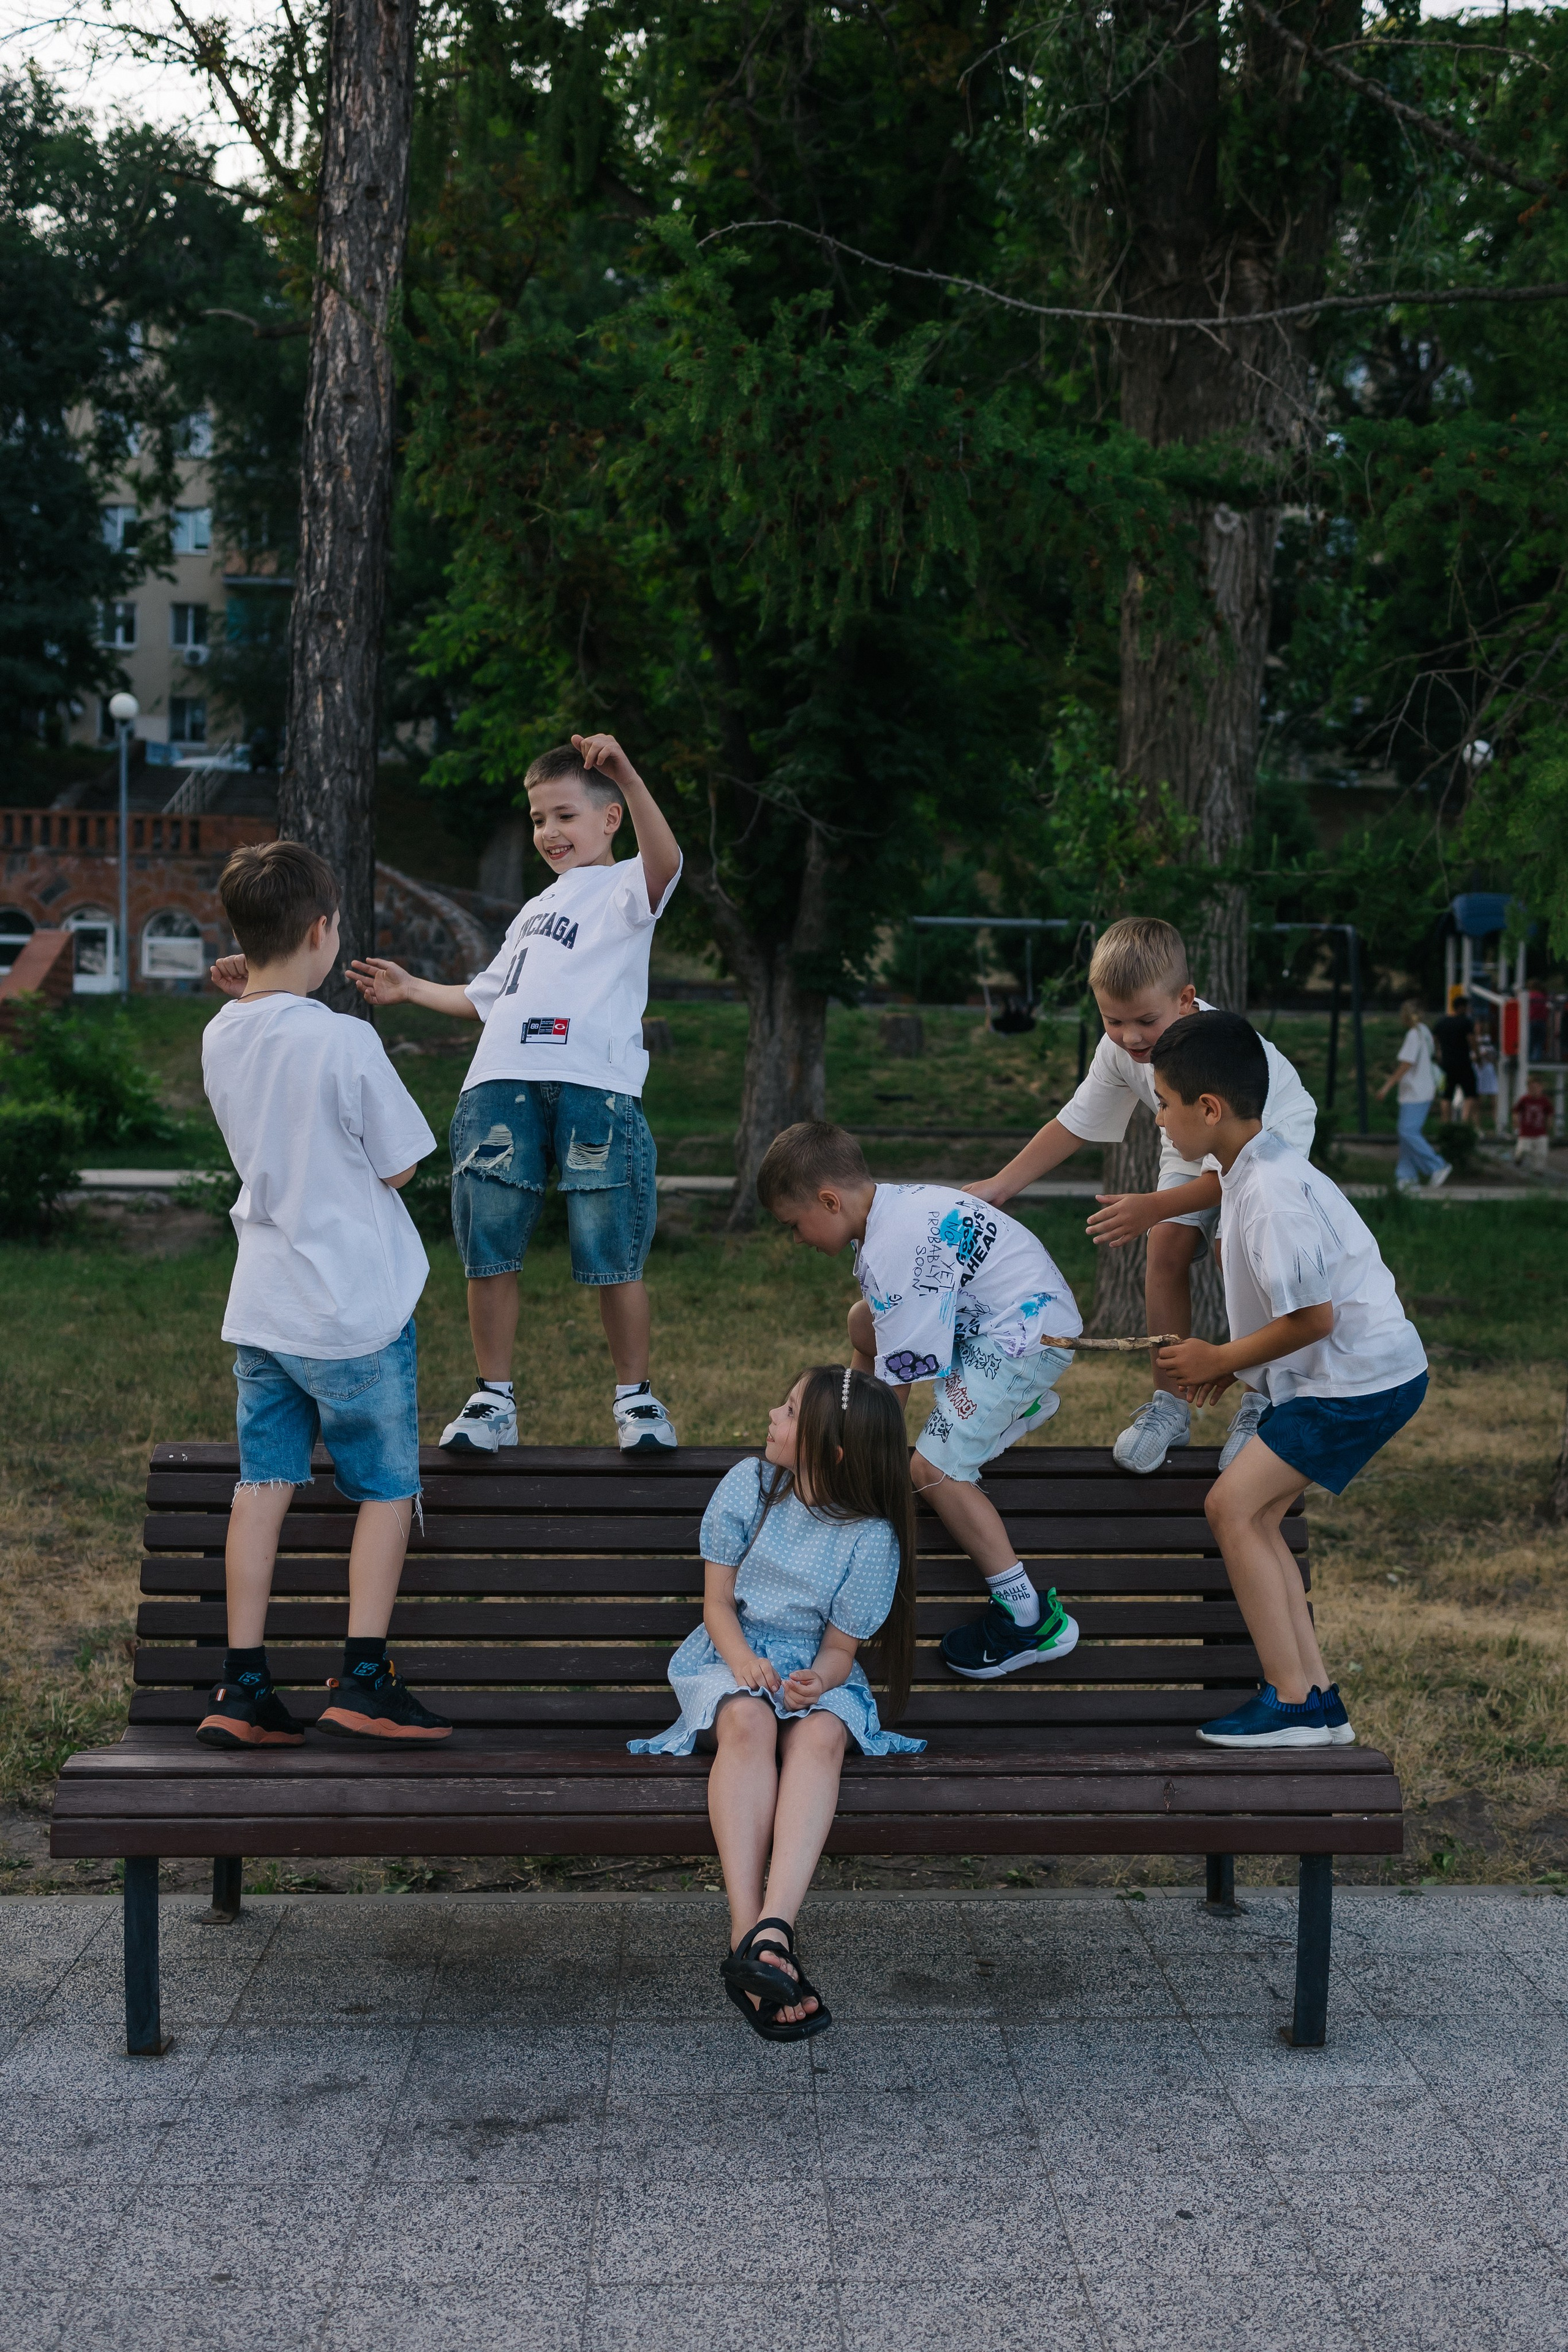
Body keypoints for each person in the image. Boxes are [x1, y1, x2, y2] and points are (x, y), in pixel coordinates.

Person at [350, 733, 683, 1455]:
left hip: (594, 1086)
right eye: (537, 820)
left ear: (609, 819)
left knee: (610, 1247)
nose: (549, 833)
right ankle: (491, 1399)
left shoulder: (629, 885)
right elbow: (485, 999)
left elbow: (668, 860)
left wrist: (626, 771)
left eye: (564, 816)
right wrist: (410, 989)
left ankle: (637, 1400)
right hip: (499, 1084)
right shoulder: (533, 909)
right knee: (489, 1246)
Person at [197, 842, 452, 1749]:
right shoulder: (346, 1037)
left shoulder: (221, 1031)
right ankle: (365, 1678)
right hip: (352, 1311)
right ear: (321, 930)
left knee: (262, 1484)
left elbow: (261, 1026)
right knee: (384, 1489)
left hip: (263, 1305)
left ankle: (243, 1687)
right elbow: (405, 1162)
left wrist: (252, 986)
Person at [1148, 1011, 1428, 1749]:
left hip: (1355, 1380)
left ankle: (1294, 1701)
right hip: (1359, 1375)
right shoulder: (1246, 1171)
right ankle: (1319, 1702)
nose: (1159, 1118)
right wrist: (1236, 1367)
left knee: (1232, 1509)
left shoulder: (1269, 1191)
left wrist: (1220, 1359)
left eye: (1164, 1102)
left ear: (1208, 1109)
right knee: (1255, 1514)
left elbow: (1313, 1320)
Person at [630, 1367, 923, 2039]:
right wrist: (741, 1664)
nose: (771, 1414)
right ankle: (747, 1934)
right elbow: (716, 1605)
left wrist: (818, 1680)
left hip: (811, 1673)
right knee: (748, 1716)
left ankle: (774, 1931)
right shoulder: (751, 1488)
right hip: (730, 1657)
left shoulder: (870, 1538)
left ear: (832, 1449)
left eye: (789, 1411)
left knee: (820, 1737)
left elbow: (840, 1652)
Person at [967, 916, 1317, 1476]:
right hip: (1193, 1134)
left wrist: (1150, 1206)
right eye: (1113, 1020)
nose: (1130, 1037)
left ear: (1185, 1000)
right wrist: (1001, 1185)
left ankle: (1263, 1398)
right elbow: (1074, 1123)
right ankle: (1170, 1405)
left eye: (1146, 1021)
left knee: (1238, 1255)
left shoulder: (1218, 1052)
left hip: (1261, 1142)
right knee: (1165, 1249)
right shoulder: (1120, 1051)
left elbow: (1227, 1173)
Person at [758, 1120, 1084, 1681]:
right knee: (865, 1322)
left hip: (1022, 1342)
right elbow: (883, 1339)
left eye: (795, 1224)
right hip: (999, 1323)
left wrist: (850, 1463)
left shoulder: (895, 1249)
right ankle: (1003, 1408)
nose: (797, 1238)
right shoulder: (891, 1212)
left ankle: (1027, 1618)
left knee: (932, 1469)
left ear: (829, 1201)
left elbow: (893, 1393)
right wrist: (841, 1427)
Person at [1375, 999, 1451, 1193]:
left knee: (1408, 1131)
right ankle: (1407, 1176)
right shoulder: (1425, 1032)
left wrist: (1387, 1086)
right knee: (1407, 1134)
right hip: (1424, 1089)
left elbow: (1406, 1064)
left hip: (1415, 1091)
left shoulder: (1413, 1035)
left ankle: (1437, 1165)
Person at [1432, 988, 1477, 1125]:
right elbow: (1471, 1040)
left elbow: (1434, 1038)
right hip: (1463, 1063)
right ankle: (1464, 1122)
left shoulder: (1442, 1022)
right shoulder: (1466, 1022)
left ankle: (1446, 1123)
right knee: (1470, 1094)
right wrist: (1478, 1055)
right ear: (1462, 1007)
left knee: (1446, 1096)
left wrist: (1438, 1052)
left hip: (1446, 1064)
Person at [1513, 1076, 1554, 1172]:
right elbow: (1516, 1111)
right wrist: (1516, 1122)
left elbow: (1549, 1114)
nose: (1534, 1091)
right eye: (1532, 1088)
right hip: (1526, 1131)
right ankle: (1518, 1159)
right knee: (1523, 1150)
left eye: (1536, 1088)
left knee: (1542, 1153)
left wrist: (1549, 1125)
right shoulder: (1524, 1100)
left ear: (1541, 1088)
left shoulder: (1545, 1101)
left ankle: (1538, 1170)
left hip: (1540, 1131)